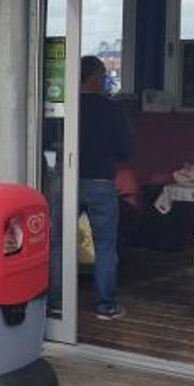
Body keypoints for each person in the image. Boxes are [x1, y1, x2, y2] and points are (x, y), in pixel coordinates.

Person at [79, 55, 134, 321]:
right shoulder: (112, 109)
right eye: (102, 75)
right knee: (105, 247)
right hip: (101, 182)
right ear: (93, 77)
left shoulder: (64, 106)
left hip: (65, 181)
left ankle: (55, 303)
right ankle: (106, 305)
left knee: (57, 244)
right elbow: (127, 149)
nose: (104, 80)